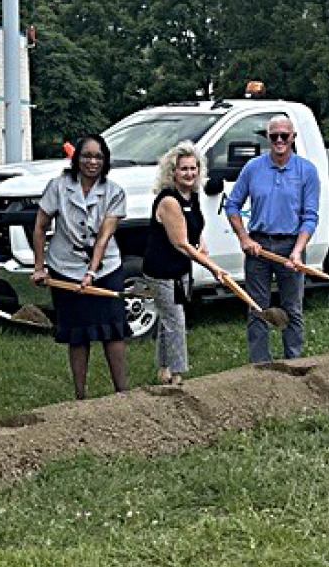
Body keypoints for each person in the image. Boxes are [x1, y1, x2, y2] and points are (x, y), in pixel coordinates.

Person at [29, 134, 129, 400]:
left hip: (106, 268)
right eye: (86, 156)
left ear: (105, 161)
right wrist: (39, 266)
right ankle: (80, 397)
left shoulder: (115, 192)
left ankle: (123, 393)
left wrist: (91, 273)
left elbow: (104, 238)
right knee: (77, 333)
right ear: (77, 158)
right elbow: (40, 227)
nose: (92, 162)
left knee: (113, 329)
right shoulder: (58, 186)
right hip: (64, 266)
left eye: (98, 157)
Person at [224, 115, 320, 363]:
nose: (279, 140)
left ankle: (294, 362)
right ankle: (260, 367)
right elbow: (232, 205)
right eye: (273, 136)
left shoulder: (306, 171)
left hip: (291, 246)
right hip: (259, 247)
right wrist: (244, 239)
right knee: (258, 309)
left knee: (292, 309)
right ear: (267, 138)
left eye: (284, 136)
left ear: (293, 138)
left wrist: (298, 251)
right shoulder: (253, 168)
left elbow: (310, 217)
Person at [142, 141, 225, 385]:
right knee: (176, 320)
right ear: (173, 173)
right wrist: (213, 267)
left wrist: (202, 240)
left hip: (180, 269)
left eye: (193, 168)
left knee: (169, 319)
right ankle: (178, 376)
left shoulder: (193, 195)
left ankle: (164, 370)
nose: (189, 173)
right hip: (161, 270)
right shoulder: (169, 200)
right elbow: (180, 243)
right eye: (183, 169)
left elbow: (194, 226)